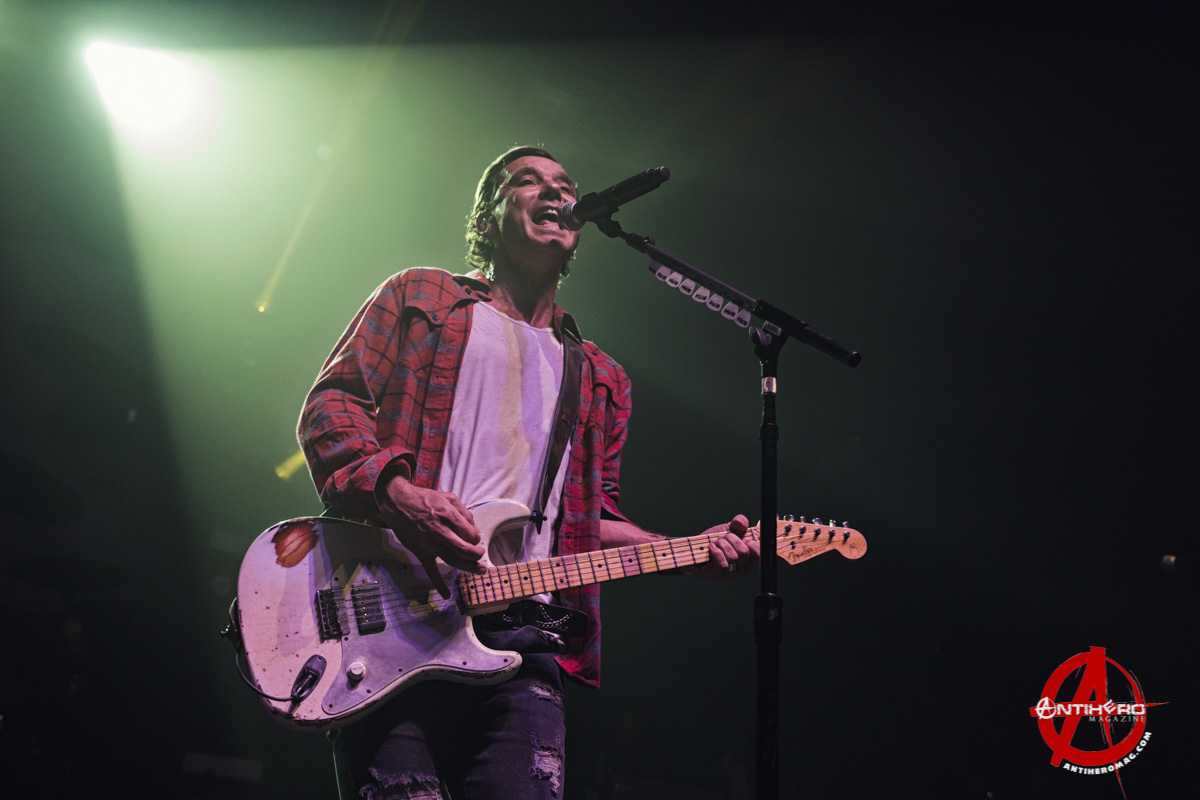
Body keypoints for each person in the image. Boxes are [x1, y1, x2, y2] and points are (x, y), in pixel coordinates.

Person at [297, 145, 758, 799]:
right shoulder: (421, 296)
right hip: (393, 610)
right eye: (528, 181)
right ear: (487, 219)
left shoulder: (599, 376)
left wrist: (686, 550)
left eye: (565, 185)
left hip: (524, 632)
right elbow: (332, 407)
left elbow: (584, 526)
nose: (554, 192)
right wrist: (399, 496)